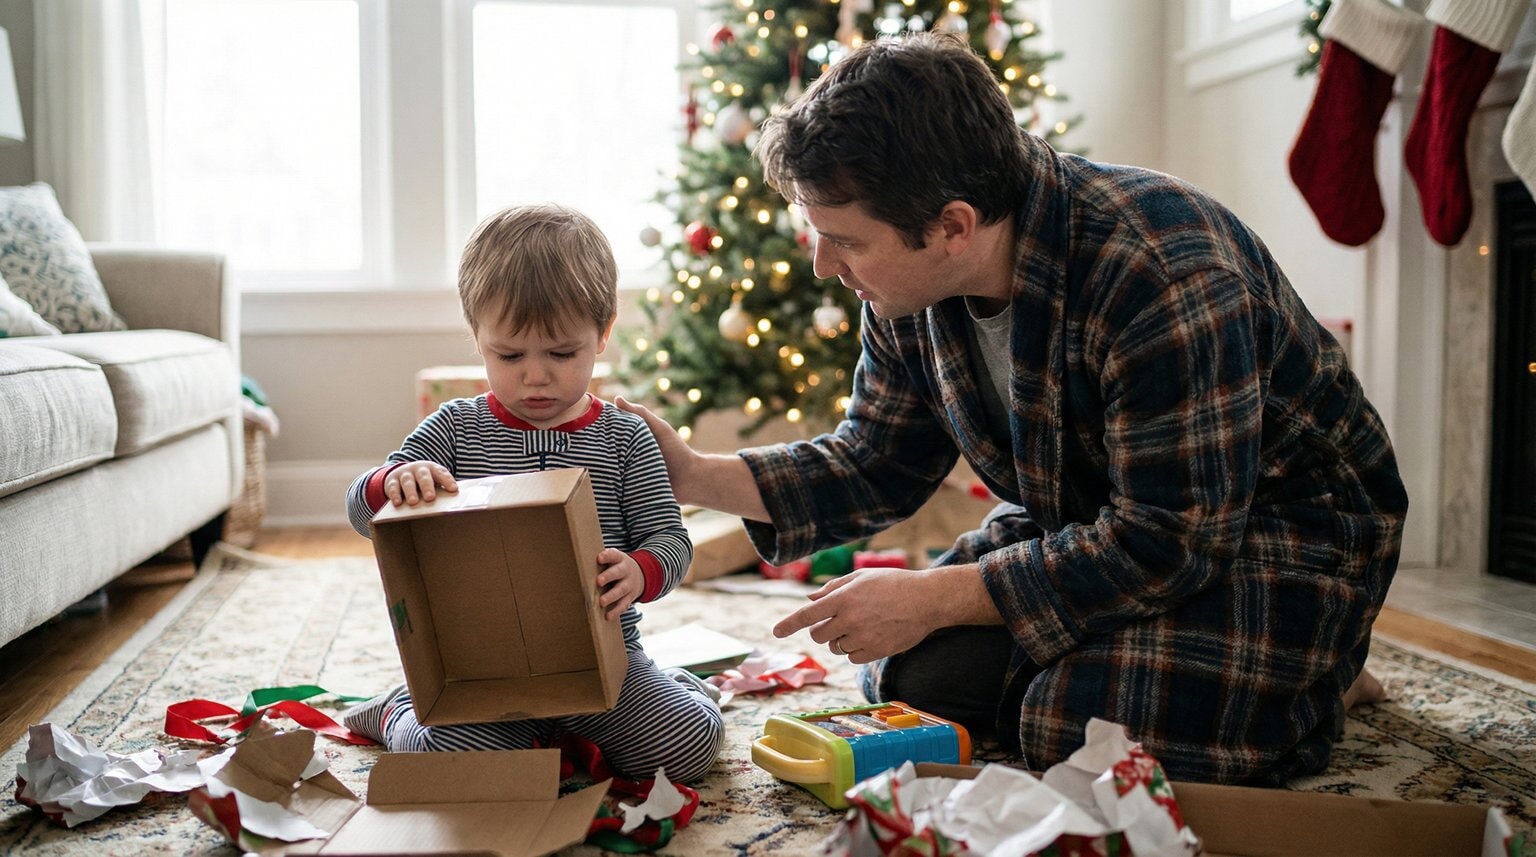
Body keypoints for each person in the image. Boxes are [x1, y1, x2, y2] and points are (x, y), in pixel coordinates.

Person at [617, 32, 1407, 785]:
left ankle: (1315, 677)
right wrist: (687, 472)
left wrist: (938, 594)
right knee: (908, 677)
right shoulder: (906, 282)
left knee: (1071, 724)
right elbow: (876, 459)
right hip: (1099, 522)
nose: (826, 266)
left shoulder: (1162, 267)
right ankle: (1194, 665)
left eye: (845, 240)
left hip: (1279, 534)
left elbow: (1174, 540)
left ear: (954, 226)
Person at [342, 204, 723, 783]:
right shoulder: (453, 428)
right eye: (510, 355)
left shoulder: (624, 437)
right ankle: (400, 709)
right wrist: (389, 483)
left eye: (562, 354)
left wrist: (641, 571)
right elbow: (361, 511)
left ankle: (672, 688)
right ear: (477, 338)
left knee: (685, 750)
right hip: (479, 674)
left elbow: (671, 540)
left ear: (604, 332)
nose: (536, 376)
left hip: (605, 668)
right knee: (442, 762)